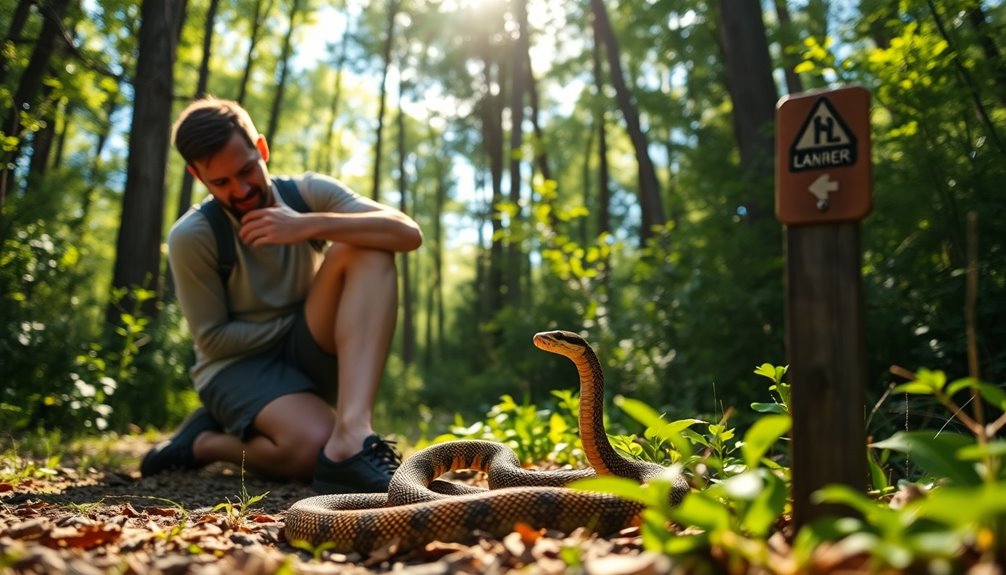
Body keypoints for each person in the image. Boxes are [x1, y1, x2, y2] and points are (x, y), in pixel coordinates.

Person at [140, 97, 423, 494]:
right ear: (197, 176)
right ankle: (205, 443)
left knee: (365, 245)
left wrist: (307, 225)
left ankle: (353, 437)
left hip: (303, 351)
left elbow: (407, 233)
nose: (239, 190)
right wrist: (298, 322)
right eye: (220, 183)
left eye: (246, 170)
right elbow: (214, 340)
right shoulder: (193, 236)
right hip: (235, 367)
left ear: (261, 149)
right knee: (309, 450)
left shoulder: (307, 194)